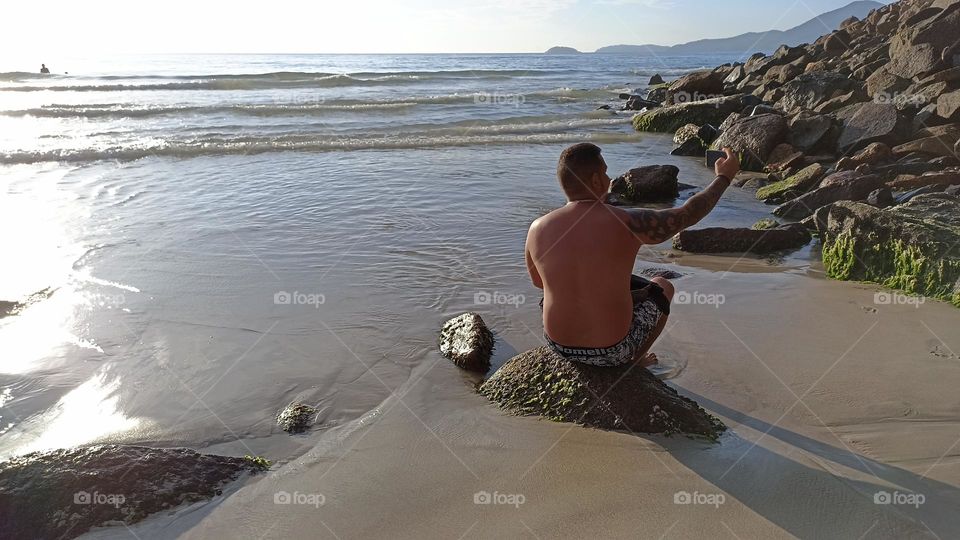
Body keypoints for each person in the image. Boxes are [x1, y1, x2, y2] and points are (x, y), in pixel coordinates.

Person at [524, 143, 740, 368]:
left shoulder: (536, 228)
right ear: (596, 180)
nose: (609, 179)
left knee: (563, 287)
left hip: (559, 348)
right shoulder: (627, 222)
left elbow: (539, 282)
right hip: (612, 351)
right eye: (605, 172)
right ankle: (634, 361)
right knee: (663, 287)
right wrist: (723, 178)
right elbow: (687, 214)